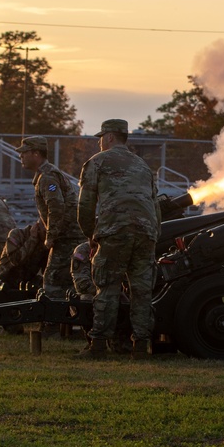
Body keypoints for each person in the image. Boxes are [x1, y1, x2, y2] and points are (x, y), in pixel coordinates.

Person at [77, 119, 161, 359]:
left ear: (110, 137)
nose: (99, 142)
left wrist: (90, 235)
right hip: (146, 233)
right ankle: (142, 346)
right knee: (142, 292)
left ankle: (99, 344)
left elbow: (85, 204)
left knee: (107, 287)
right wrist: (154, 235)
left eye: (100, 137)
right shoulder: (143, 166)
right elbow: (155, 206)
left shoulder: (97, 162)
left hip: (115, 232)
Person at [15, 135, 83, 300]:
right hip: (69, 236)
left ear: (36, 154)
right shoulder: (45, 174)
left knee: (52, 283)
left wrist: (50, 236)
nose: (21, 156)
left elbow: (56, 207)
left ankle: (53, 325)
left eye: (25, 153)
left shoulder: (47, 177)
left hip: (67, 237)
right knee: (67, 282)